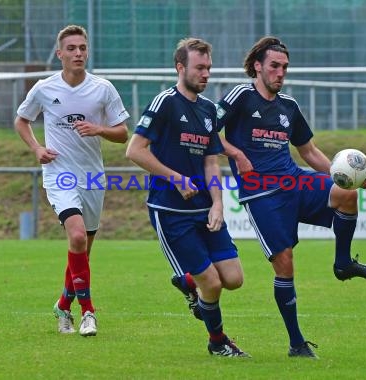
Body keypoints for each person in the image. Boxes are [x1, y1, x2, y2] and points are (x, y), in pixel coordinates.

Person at [215, 36, 366, 359]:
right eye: (275, 67)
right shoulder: (240, 96)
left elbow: (308, 150)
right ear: (258, 66)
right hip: (262, 194)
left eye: (285, 68)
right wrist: (235, 153)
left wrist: (346, 174)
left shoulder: (288, 107)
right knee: (285, 264)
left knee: (346, 195)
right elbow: (207, 128)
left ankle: (343, 263)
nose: (280, 73)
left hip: (294, 182)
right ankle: (296, 344)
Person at [126, 37, 249, 357]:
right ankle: (217, 342)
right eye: (199, 68)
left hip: (204, 209)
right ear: (180, 68)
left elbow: (211, 161)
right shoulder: (165, 102)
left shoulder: (209, 110)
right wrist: (176, 178)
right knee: (213, 283)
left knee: (233, 279)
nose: (206, 74)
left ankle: (188, 282)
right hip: (170, 211)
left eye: (209, 67)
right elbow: (134, 150)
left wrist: (219, 203)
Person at [14, 25, 130, 336]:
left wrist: (99, 129)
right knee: (77, 237)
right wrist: (37, 147)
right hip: (60, 175)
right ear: (60, 53)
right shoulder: (44, 88)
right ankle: (88, 312)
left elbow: (123, 134)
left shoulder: (102, 88)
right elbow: (21, 120)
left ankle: (63, 305)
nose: (78, 53)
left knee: (83, 250)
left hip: (92, 177)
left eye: (82, 47)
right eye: (72, 48)